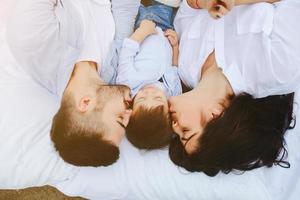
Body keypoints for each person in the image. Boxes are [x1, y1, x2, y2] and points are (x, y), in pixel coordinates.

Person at [168, 0, 299, 176]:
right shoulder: (278, 71)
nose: (174, 126)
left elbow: (187, 12)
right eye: (185, 131)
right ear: (216, 115)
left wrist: (200, 2)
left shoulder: (185, 68)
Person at [6, 0, 139, 167]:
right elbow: (125, 11)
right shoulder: (113, 73)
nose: (130, 112)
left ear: (86, 103)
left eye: (120, 118)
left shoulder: (33, 41)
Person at [116, 0, 182, 149]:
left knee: (156, 5)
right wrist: (176, 46)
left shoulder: (128, 84)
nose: (150, 92)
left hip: (147, 24)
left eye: (142, 99)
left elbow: (127, 52)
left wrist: (142, 31)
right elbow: (174, 67)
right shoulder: (173, 93)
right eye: (158, 98)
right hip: (167, 29)